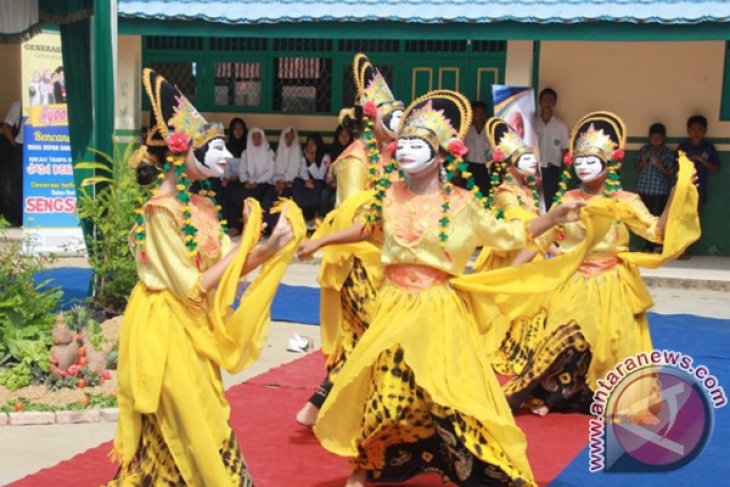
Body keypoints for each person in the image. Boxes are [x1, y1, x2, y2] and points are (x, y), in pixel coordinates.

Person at [299, 90, 591, 487]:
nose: (404, 150)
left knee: (447, 396)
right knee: (383, 392)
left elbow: (510, 233)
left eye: (417, 144)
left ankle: (464, 466)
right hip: (391, 308)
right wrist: (320, 240)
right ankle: (368, 465)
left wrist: (551, 217)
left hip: (438, 311)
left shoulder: (463, 204)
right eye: (403, 143)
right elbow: (368, 229)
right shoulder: (388, 196)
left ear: (440, 156)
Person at [108, 69, 303, 486]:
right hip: (164, 328)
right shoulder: (160, 211)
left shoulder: (203, 206)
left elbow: (217, 276)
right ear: (182, 153)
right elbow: (193, 284)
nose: (225, 155)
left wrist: (266, 249)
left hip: (191, 326)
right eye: (214, 147)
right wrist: (247, 245)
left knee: (203, 417)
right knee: (184, 425)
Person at [503, 111, 700, 422]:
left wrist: (676, 196)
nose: (582, 165)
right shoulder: (567, 200)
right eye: (578, 159)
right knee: (558, 339)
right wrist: (507, 277)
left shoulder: (625, 201)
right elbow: (540, 242)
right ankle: (549, 394)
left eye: (590, 159)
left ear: (610, 163)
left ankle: (617, 399)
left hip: (612, 282)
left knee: (615, 343)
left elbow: (656, 232)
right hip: (573, 280)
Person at [295, 53, 404, 427]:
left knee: (364, 339)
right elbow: (354, 218)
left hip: (384, 261)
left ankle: (321, 405)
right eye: (391, 115)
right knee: (378, 335)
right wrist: (318, 243)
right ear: (372, 117)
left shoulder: (390, 158)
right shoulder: (355, 161)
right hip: (355, 265)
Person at [473, 117, 548, 376]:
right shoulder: (505, 192)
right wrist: (546, 226)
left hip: (530, 255)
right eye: (525, 158)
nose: (532, 162)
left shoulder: (527, 192)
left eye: (532, 158)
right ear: (510, 164)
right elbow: (522, 223)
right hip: (511, 257)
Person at [677, 114, 720, 259]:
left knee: (692, 219)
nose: (696, 132)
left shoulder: (708, 148)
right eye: (693, 129)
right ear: (688, 131)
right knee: (680, 217)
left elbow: (715, 168)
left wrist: (702, 161)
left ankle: (686, 249)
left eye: (699, 129)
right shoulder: (683, 147)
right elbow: (675, 165)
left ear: (705, 131)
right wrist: (689, 159)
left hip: (699, 189)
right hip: (683, 188)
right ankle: (678, 248)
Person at [635, 123, 676, 252]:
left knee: (657, 218)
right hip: (644, 189)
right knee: (644, 218)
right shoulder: (644, 150)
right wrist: (643, 160)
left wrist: (658, 164)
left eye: (658, 139)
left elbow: (669, 173)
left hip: (659, 191)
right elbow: (637, 168)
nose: (655, 141)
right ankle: (647, 245)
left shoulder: (667, 153)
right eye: (653, 138)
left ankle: (657, 244)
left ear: (663, 138)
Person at [535, 88, 569, 209]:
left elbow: (565, 150)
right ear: (539, 102)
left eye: (550, 100)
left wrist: (565, 174)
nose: (547, 103)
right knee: (533, 201)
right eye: (544, 100)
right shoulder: (533, 123)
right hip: (534, 170)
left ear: (554, 103)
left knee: (551, 203)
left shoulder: (561, 126)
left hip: (552, 171)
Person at [292, 133, 330, 223]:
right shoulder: (304, 154)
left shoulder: (325, 156)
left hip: (319, 182)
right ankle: (301, 213)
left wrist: (312, 161)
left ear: (318, 144)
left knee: (318, 185)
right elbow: (302, 170)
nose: (310, 146)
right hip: (308, 182)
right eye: (308, 144)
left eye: (313, 144)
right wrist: (306, 181)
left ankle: (315, 214)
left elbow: (320, 176)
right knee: (296, 182)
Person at [221, 117, 247, 235]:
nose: (238, 131)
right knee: (226, 190)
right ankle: (224, 224)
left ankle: (234, 226)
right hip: (230, 177)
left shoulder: (248, 147)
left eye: (240, 129)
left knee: (234, 191)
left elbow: (249, 165)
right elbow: (224, 164)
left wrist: (239, 176)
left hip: (244, 178)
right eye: (235, 129)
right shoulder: (226, 147)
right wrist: (226, 177)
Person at [321, 124, 353, 216]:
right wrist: (331, 181)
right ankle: (323, 219)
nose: (344, 138)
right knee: (324, 195)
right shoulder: (333, 151)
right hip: (333, 183)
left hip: (346, 184)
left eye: (346, 135)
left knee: (334, 199)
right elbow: (328, 170)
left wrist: (339, 183)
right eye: (341, 135)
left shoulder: (352, 151)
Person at [0, 101, 23, 226]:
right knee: (17, 183)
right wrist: (15, 144)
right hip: (22, 147)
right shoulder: (19, 104)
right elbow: (5, 127)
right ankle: (17, 217)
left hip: (36, 146)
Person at [463, 100, 492, 194]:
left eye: (482, 114)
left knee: (484, 194)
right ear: (471, 115)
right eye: (476, 114)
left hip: (485, 168)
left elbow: (492, 153)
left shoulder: (489, 132)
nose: (479, 117)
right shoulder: (466, 131)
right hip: (469, 167)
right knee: (468, 194)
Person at [274, 126, 302, 198]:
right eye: (287, 137)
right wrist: (278, 182)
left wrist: (285, 183)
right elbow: (273, 172)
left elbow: (299, 174)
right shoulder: (278, 152)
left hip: (292, 184)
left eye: (292, 137)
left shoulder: (298, 152)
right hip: (278, 183)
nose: (289, 140)